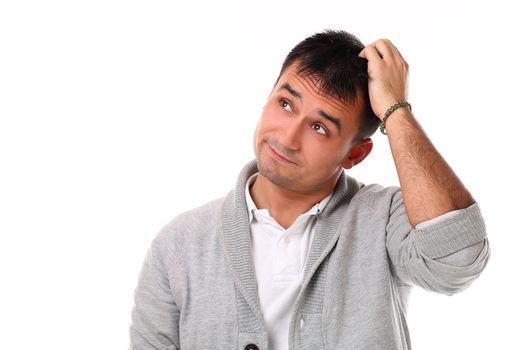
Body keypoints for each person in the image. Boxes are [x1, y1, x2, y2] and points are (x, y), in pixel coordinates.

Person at [129, 30, 489, 350]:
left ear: (355, 154)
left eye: (319, 127)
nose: (287, 138)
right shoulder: (177, 244)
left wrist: (395, 111)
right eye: (285, 104)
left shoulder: (384, 219)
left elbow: (458, 261)